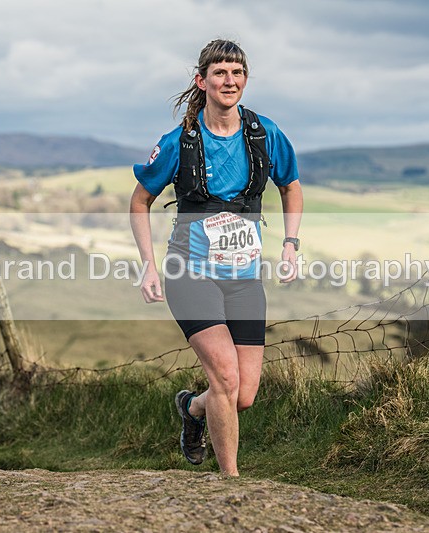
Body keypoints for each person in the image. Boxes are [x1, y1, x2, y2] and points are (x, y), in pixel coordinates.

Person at [129, 39, 303, 476]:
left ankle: (191, 409)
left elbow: (290, 185)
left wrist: (290, 242)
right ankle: (231, 482)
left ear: (246, 80)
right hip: (190, 272)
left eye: (237, 73)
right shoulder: (178, 143)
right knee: (225, 377)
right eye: (220, 73)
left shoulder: (265, 134)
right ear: (201, 80)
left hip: (244, 277)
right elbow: (139, 201)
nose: (230, 81)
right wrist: (149, 264)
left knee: (243, 393)